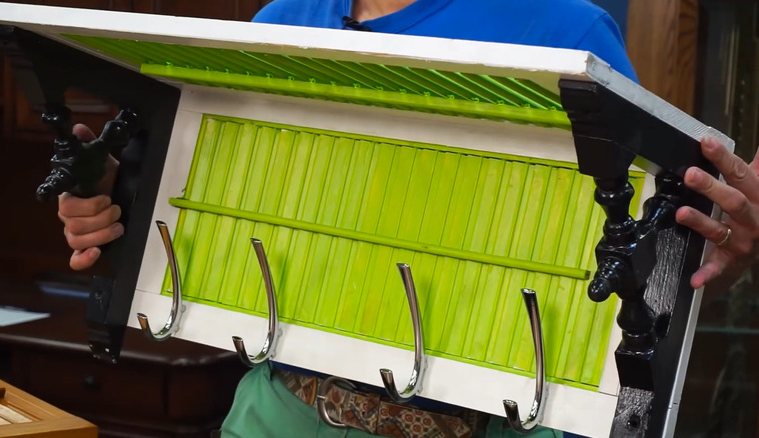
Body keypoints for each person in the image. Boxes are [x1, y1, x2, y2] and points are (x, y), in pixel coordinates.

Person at [56, 0, 759, 437]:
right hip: (278, 415)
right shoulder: (279, 24)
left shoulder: (565, 31)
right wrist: (116, 208)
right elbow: (215, 210)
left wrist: (710, 265)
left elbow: (638, 254)